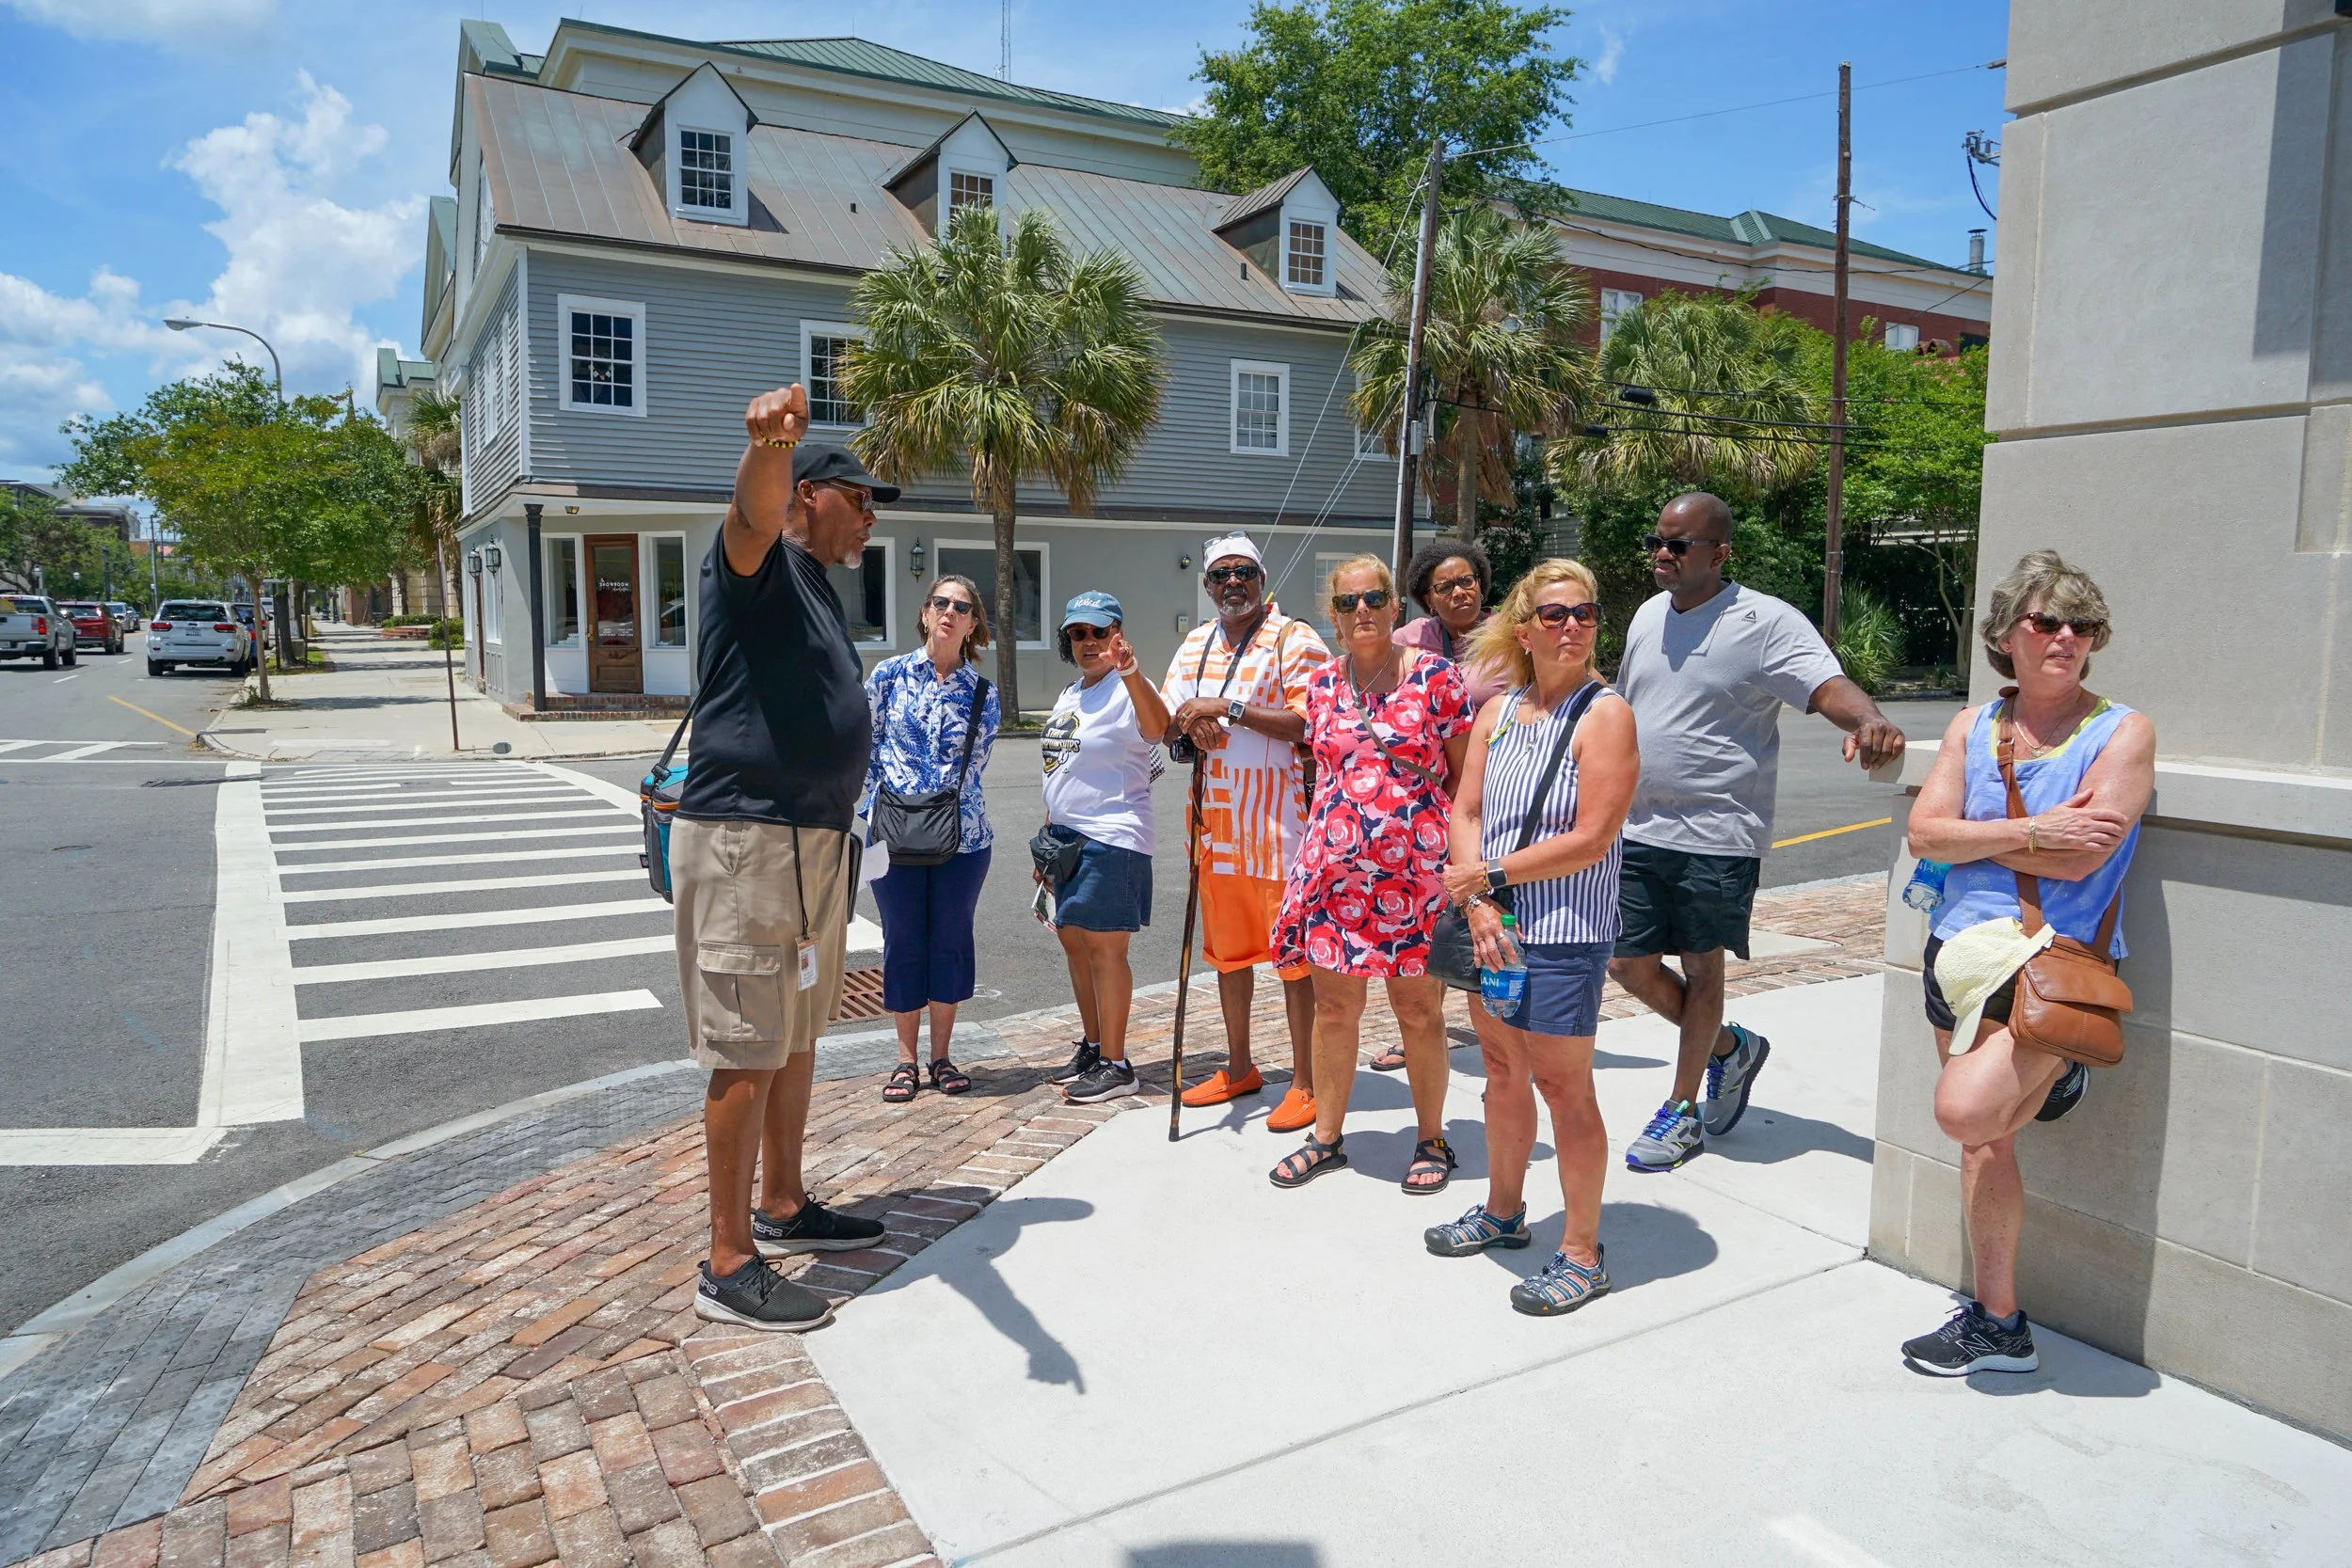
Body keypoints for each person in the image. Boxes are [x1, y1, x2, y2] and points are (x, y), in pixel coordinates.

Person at [1899, 552, 2153, 1375]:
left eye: (2082, 625)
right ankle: (1999, 1323)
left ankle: (2059, 1070)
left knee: (1968, 1113)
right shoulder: (1975, 727)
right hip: (1957, 954)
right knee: (1987, 1147)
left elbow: (2088, 861)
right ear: (2007, 633)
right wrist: (2038, 833)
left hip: (2051, 964)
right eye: (2046, 621)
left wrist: (1982, 838)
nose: (2065, 637)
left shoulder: (2122, 732)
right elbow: (1925, 835)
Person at [675, 389, 891, 1334]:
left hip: (811, 840)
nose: (874, 516)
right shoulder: (758, 557)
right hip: (747, 839)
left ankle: (785, 1200)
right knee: (743, 1046)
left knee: (796, 1031)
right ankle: (728, 1259)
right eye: (862, 497)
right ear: (810, 495)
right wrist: (769, 441)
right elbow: (750, 509)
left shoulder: (816, 584)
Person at [1610, 491, 1907, 1173]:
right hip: (1641, 824)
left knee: (1701, 964)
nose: (1662, 553)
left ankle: (1681, 1111)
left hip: (1719, 829)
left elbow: (1826, 684)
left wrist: (1869, 720)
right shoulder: (1649, 614)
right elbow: (1631, 707)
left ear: (1719, 553)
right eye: (1656, 540)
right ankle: (1727, 1048)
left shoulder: (1764, 621)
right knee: (1625, 964)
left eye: (1678, 545)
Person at [1430, 560, 1639, 1315]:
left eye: (1584, 612)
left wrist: (1484, 877)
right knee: (1501, 1068)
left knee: (1563, 1085)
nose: (1573, 626)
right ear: (1525, 630)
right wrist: (1480, 904)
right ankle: (1504, 1210)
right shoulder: (1498, 711)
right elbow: (1464, 812)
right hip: (1495, 928)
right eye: (1555, 615)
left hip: (1564, 931)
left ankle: (1583, 1250)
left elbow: (1593, 837)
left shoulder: (1604, 714)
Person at [1267, 555, 1473, 1194]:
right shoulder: (1323, 684)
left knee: (1417, 1010)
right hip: (1336, 877)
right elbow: (1326, 771)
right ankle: (1327, 1136)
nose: (1363, 610)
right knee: (1334, 1009)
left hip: (1416, 879)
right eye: (1350, 601)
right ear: (1334, 616)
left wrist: (1468, 866)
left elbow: (1465, 782)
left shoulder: (1437, 678)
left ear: (1394, 608)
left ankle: (1432, 1136)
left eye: (1374, 598)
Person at [1161, 533, 1330, 1130]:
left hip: (1280, 826)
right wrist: (1192, 723)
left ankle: (1307, 1081)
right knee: (1229, 957)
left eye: (1245, 572)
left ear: (1263, 579)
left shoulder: (1295, 638)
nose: (1233, 582)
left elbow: (1309, 722)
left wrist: (1224, 710)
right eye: (1221, 574)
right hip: (1216, 827)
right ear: (1207, 585)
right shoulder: (1196, 642)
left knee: (1294, 959)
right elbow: (1170, 714)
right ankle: (1239, 1068)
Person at [862, 573, 1001, 1103]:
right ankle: (904, 1061)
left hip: (962, 838)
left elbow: (975, 766)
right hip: (892, 835)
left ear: (972, 625)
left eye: (961, 607)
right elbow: (868, 748)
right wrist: (866, 812)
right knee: (901, 942)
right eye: (940, 603)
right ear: (925, 613)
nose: (949, 612)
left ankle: (941, 1056)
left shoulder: (982, 692)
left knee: (949, 941)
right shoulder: (890, 675)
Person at [1375, 539, 1507, 1076]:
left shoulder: (1511, 635)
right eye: (1445, 586)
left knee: (1487, 922)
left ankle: (1499, 1046)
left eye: (1467, 580)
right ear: (1428, 599)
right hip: (1428, 809)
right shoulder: (1410, 640)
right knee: (1431, 924)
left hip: (1496, 802)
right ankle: (1421, 1033)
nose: (1460, 591)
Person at [1039, 591, 1173, 1105]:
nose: (1089, 642)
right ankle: (1094, 1047)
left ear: (1117, 634)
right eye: (1078, 633)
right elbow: (1060, 764)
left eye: (1099, 632)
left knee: (1105, 949)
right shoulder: (1073, 692)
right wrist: (1047, 836)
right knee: (1074, 943)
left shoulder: (1126, 686)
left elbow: (1158, 729)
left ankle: (1118, 1065)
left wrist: (1133, 671)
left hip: (1112, 836)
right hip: (1066, 838)